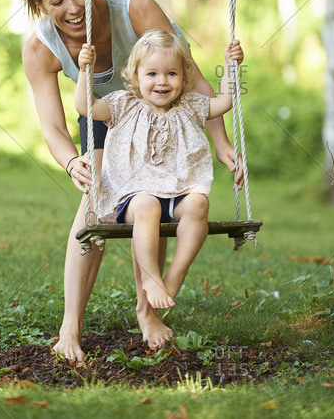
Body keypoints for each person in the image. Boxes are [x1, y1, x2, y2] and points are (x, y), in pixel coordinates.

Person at [20, 0, 244, 362]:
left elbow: (192, 78)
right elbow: (53, 124)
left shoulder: (132, 4)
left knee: (157, 192)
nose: (73, 8)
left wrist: (220, 140)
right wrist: (73, 162)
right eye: (56, 0)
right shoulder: (39, 48)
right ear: (38, 4)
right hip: (108, 111)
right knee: (95, 199)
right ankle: (71, 324)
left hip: (164, 111)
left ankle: (148, 311)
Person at [76, 31, 244, 310]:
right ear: (136, 76)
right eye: (152, 73)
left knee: (199, 204)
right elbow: (86, 106)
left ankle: (176, 275)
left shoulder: (190, 106)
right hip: (134, 198)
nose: (162, 81)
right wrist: (85, 71)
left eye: (171, 74)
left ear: (183, 76)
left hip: (178, 194)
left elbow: (223, 103)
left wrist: (229, 66)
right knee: (147, 205)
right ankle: (151, 278)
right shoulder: (123, 104)